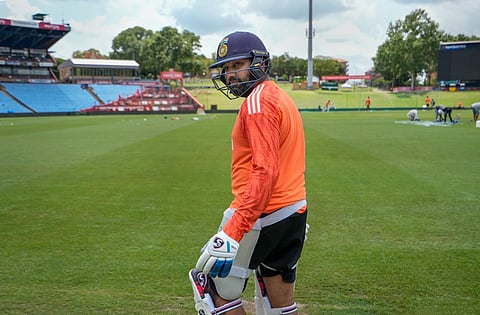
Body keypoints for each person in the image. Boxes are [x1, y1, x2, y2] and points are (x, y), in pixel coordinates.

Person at [189, 31, 308, 315]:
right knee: (278, 306)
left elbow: (265, 170)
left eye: (237, 65)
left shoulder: (257, 103)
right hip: (293, 212)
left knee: (213, 294)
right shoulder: (278, 97)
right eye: (227, 69)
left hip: (259, 215)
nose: (230, 75)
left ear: (260, 63)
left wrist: (233, 231)